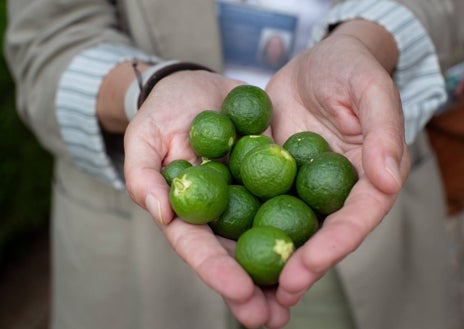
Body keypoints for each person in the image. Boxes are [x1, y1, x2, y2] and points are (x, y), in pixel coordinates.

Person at [4, 0, 463, 328]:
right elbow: (46, 40)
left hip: (367, 229)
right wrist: (151, 86)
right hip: (135, 262)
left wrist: (365, 38)